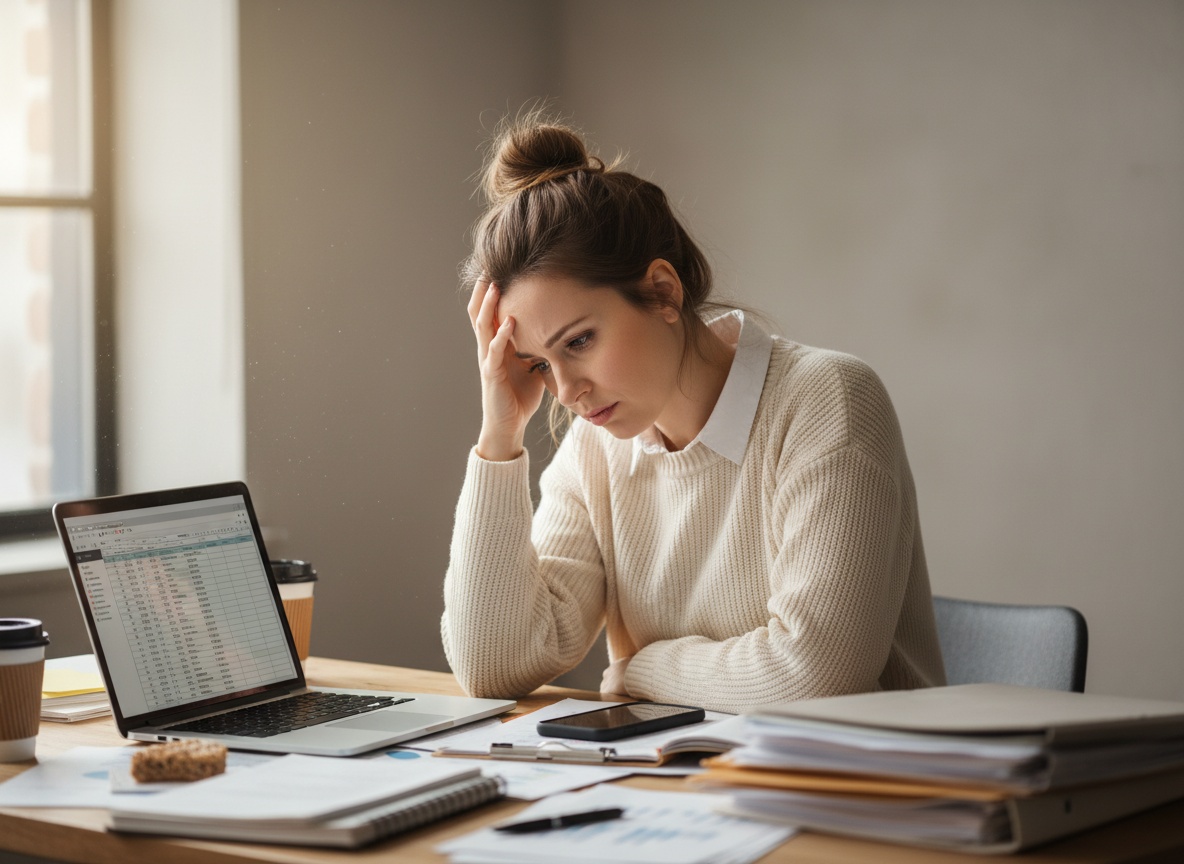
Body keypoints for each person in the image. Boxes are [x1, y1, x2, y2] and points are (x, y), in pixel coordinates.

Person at [441, 113, 945, 713]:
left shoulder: (827, 401)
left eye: (578, 342)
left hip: (870, 789)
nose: (568, 390)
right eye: (539, 365)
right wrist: (500, 437)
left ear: (662, 291)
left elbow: (814, 676)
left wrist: (643, 668)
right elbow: (493, 666)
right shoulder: (594, 446)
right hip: (681, 785)